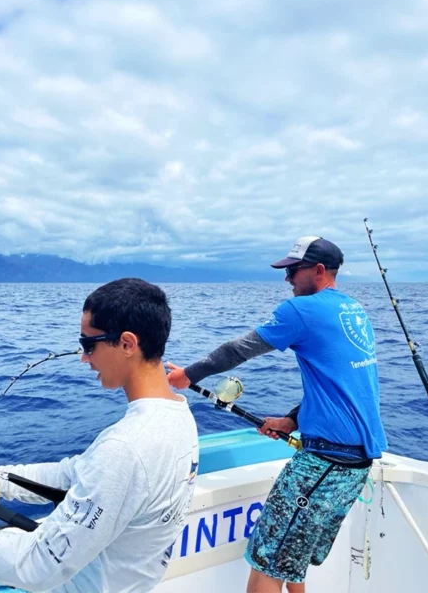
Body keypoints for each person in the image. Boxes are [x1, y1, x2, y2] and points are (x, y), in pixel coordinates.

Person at [0, 278, 200, 593]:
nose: (84, 358)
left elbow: (36, 567)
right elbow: (74, 474)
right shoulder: (178, 415)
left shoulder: (125, 447)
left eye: (88, 344)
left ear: (126, 344)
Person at [167, 236, 387, 593]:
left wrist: (188, 375)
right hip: (353, 465)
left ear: (318, 271)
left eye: (293, 271)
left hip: (325, 464)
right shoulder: (353, 310)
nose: (287, 280)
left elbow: (239, 349)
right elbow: (347, 386)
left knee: (265, 567)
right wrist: (293, 420)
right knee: (291, 561)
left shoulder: (301, 311)